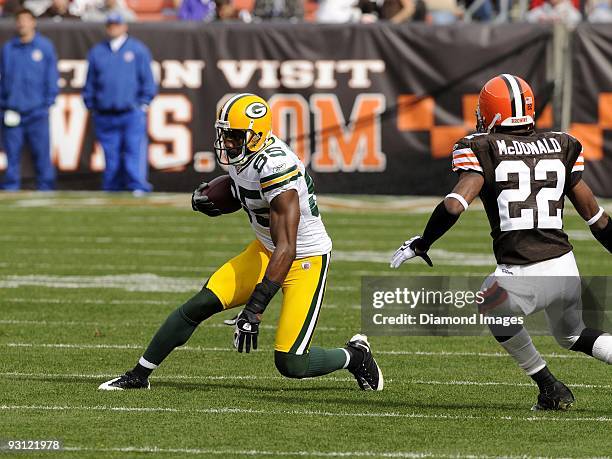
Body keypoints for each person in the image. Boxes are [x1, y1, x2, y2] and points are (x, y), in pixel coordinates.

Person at [98, 93, 383, 392]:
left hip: (303, 259)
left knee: (291, 363)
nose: (228, 142)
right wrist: (220, 198)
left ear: (256, 135)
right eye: (225, 134)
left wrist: (255, 308)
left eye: (235, 136)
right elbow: (245, 192)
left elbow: (287, 247)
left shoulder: (276, 166)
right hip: (264, 250)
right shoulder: (242, 156)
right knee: (200, 304)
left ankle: (355, 356)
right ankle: (139, 375)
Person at [390, 74, 612, 411]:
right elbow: (597, 219)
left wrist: (424, 241)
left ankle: (550, 387)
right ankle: (551, 388)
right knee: (572, 335)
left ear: (491, 113)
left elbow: (454, 204)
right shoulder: (562, 144)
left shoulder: (482, 147)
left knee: (489, 301)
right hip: (566, 267)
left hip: (525, 271)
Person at [82, 12, 156, 194]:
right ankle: (112, 186)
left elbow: (148, 81)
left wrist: (143, 104)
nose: (113, 27)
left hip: (130, 112)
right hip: (105, 112)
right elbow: (90, 82)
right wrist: (91, 104)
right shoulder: (97, 51)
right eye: (110, 24)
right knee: (110, 155)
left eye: (117, 24)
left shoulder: (137, 50)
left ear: (124, 26)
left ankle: (137, 185)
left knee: (133, 151)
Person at [0, 8, 58, 191]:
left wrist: (47, 103)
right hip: (13, 111)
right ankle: (11, 188)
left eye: (26, 20)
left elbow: (52, 78)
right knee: (12, 155)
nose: (22, 24)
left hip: (37, 112)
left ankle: (45, 188)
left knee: (41, 154)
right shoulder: (8, 48)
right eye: (19, 20)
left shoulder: (44, 47)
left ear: (33, 22)